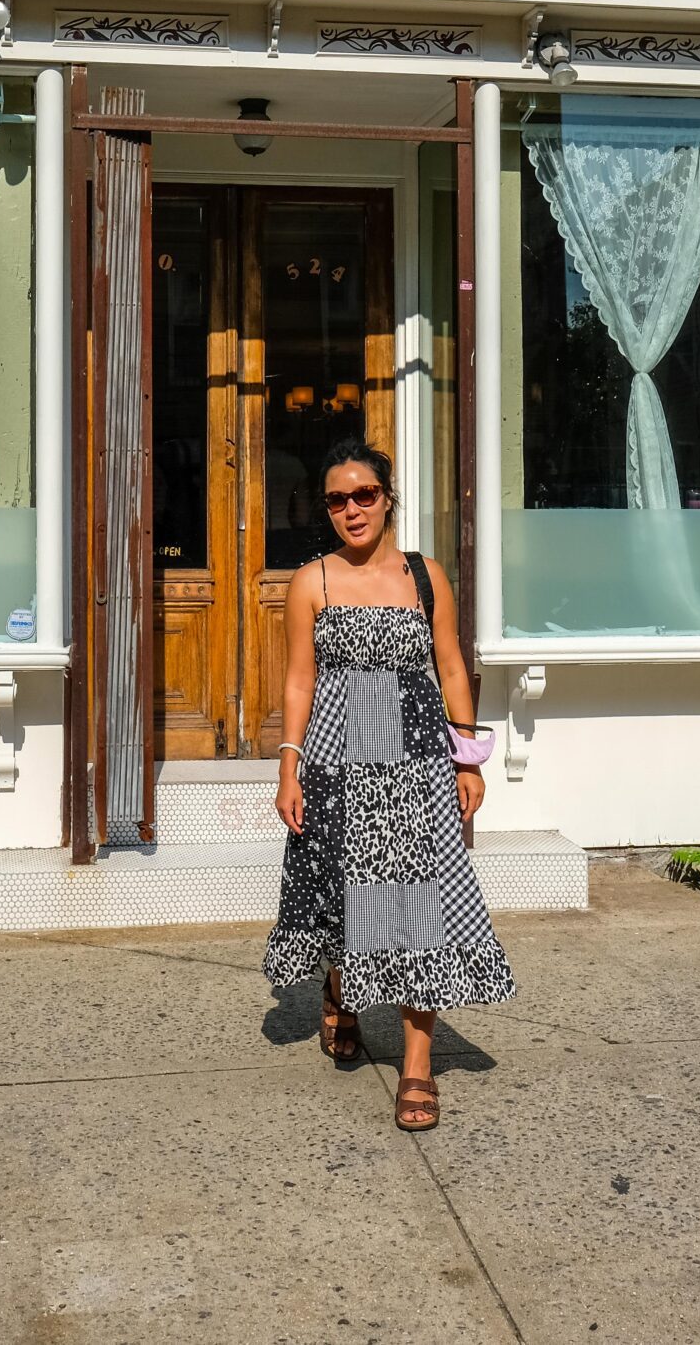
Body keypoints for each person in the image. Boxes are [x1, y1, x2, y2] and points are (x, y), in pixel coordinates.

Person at [262, 439, 515, 1131]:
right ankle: (341, 992)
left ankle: (417, 1063)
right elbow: (298, 679)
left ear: (388, 496)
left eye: (364, 494)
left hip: (416, 763)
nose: (351, 509)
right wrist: (288, 766)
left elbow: (454, 669)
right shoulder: (311, 581)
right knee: (349, 896)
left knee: (418, 909)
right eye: (337, 499)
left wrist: (468, 760)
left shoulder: (426, 576)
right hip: (337, 761)